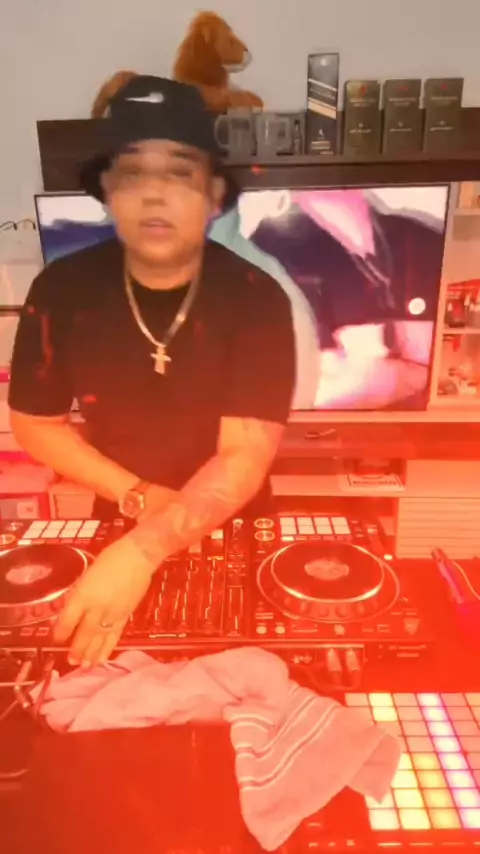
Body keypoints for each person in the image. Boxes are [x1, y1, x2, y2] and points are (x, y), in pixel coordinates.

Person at [8, 75, 295, 670]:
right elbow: (35, 423)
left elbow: (244, 453)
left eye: (180, 173)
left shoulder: (257, 297)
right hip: (120, 516)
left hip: (232, 524)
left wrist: (148, 548)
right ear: (108, 192)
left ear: (214, 194)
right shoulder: (59, 290)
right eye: (133, 173)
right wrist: (137, 497)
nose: (155, 196)